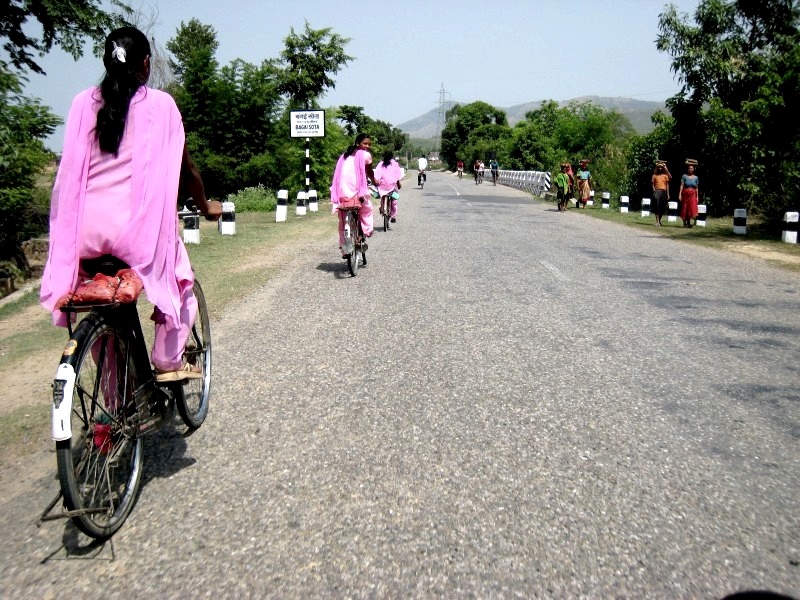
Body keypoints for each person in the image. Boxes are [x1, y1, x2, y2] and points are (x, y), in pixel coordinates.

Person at [39, 26, 221, 382]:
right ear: (146, 64)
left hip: (83, 237)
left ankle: (114, 403)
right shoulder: (160, 105)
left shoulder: (81, 103)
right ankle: (169, 362)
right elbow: (186, 169)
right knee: (180, 282)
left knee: (101, 314)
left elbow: (71, 172)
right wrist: (203, 205)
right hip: (134, 238)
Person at [330, 133, 378, 257]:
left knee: (342, 222)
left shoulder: (343, 156)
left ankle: (344, 248)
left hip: (340, 192)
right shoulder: (365, 155)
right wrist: (374, 181)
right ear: (358, 143)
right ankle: (367, 231)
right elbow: (369, 172)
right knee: (367, 209)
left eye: (369, 144)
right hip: (356, 190)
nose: (367, 146)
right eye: (365, 143)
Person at [374, 150, 403, 223]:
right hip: (390, 186)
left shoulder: (381, 164)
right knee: (394, 200)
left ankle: (383, 208)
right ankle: (393, 215)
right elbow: (397, 176)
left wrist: (376, 182)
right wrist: (398, 184)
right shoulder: (393, 164)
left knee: (382, 197)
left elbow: (377, 175)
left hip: (383, 186)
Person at [679, 161, 699, 228]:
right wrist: (680, 194)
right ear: (687, 169)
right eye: (689, 168)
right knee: (685, 208)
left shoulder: (696, 177)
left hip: (693, 194)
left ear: (693, 169)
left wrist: (697, 196)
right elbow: (681, 186)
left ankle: (689, 222)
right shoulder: (684, 176)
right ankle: (684, 223)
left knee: (691, 209)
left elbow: (696, 188)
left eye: (691, 168)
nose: (690, 169)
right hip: (685, 194)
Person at [652, 160, 672, 226]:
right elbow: (653, 184)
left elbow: (668, 183)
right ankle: (657, 221)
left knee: (662, 207)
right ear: (657, 168)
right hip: (657, 191)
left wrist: (668, 194)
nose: (660, 168)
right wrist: (654, 191)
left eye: (661, 167)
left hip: (664, 191)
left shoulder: (665, 175)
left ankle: (659, 221)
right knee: (657, 206)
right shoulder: (654, 175)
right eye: (659, 167)